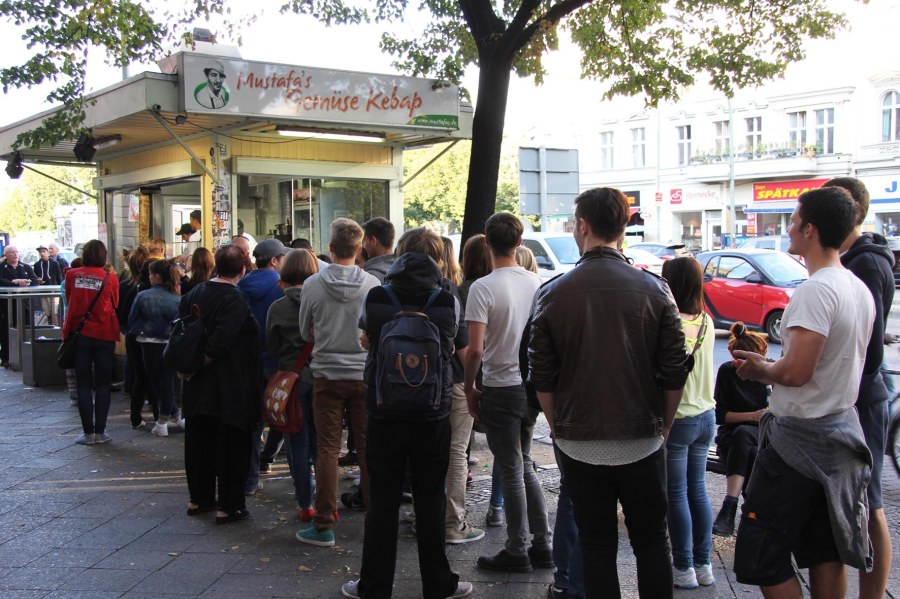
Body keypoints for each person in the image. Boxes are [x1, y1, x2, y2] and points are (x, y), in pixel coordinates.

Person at [529, 187, 689, 598]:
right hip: (643, 439)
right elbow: (674, 372)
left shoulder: (553, 292)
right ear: (621, 227)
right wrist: (663, 424)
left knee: (596, 544)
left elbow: (541, 377)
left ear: (583, 226)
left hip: (579, 442)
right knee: (653, 541)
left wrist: (559, 426)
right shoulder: (655, 289)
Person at [732, 186, 875, 598]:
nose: (790, 227)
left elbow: (795, 372)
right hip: (837, 435)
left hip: (798, 443)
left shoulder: (816, 290)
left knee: (761, 555)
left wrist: (760, 370)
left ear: (810, 229)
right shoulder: (855, 287)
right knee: (823, 552)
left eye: (794, 220)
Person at [342, 232, 473, 599]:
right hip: (432, 411)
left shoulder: (378, 296)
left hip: (384, 410)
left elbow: (366, 339)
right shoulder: (446, 299)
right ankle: (438, 582)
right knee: (430, 497)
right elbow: (457, 345)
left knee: (382, 500)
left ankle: (374, 585)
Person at [463, 212, 551, 573]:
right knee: (524, 462)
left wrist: (470, 387)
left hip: (499, 386)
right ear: (520, 243)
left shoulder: (482, 288)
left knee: (512, 467)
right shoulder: (539, 283)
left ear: (487, 243)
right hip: (530, 388)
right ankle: (543, 544)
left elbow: (476, 350)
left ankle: (517, 549)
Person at [827, 176, 895, 599]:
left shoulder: (866, 263)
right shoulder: (860, 257)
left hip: (862, 397)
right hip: (860, 395)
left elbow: (865, 348)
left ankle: (873, 593)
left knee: (869, 505)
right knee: (863, 503)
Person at [296, 218, 380, 547]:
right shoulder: (373, 284)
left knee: (328, 449)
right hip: (362, 375)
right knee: (368, 448)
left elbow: (305, 331)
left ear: (330, 249)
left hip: (327, 374)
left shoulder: (313, 285)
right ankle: (376, 516)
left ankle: (323, 522)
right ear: (359, 249)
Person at [181, 244, 261, 524]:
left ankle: (198, 498)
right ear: (242, 269)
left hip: (196, 385)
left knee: (199, 441)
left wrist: (187, 368)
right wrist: (198, 364)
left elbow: (180, 330)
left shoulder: (194, 293)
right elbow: (221, 343)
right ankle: (229, 505)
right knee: (231, 444)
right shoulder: (234, 299)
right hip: (229, 383)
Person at [660, 256, 716, 589]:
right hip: (706, 416)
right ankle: (704, 563)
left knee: (677, 495)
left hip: (678, 419)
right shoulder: (707, 322)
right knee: (698, 492)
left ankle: (683, 568)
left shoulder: (672, 324)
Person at [265, 249, 320, 521]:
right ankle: (326, 499)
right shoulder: (322, 302)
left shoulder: (277, 307)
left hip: (292, 382)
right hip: (321, 378)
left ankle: (305, 502)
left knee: (296, 442)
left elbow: (272, 346)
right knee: (322, 442)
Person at [458, 233, 503, 527]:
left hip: (473, 372)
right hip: (504, 374)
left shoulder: (463, 291)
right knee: (508, 450)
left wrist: (468, 384)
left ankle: (455, 506)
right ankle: (497, 505)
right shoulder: (502, 286)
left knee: (458, 443)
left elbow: (470, 347)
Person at [238, 238, 287, 494]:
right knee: (282, 413)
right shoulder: (281, 286)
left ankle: (250, 478)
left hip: (249, 361)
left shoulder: (241, 286)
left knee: (253, 420)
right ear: (274, 261)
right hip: (276, 360)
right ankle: (268, 457)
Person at [711, 322, 769, 537]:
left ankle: (730, 507)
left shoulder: (768, 374)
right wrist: (752, 416)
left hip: (760, 435)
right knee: (747, 445)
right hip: (734, 436)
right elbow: (721, 416)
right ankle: (752, 517)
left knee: (747, 440)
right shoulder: (727, 372)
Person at [63, 240, 120, 445]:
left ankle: (88, 433)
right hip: (104, 333)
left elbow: (70, 300)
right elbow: (115, 302)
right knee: (103, 384)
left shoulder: (71, 275)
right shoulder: (110, 277)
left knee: (84, 384)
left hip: (80, 334)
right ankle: (101, 431)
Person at [129, 258, 184, 437]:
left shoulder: (143, 295)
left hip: (149, 343)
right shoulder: (177, 298)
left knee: (157, 382)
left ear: (157, 277)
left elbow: (132, 319)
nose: (149, 277)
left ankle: (162, 421)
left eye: (151, 274)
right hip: (170, 343)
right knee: (167, 381)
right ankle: (175, 415)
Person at [118, 247, 157, 429]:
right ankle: (159, 416)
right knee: (154, 377)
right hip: (152, 338)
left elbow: (123, 315)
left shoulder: (127, 286)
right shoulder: (152, 292)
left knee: (140, 376)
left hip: (135, 336)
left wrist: (130, 330)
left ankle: (137, 416)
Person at [0, 245, 40, 368]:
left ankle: (25, 357)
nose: (15, 255)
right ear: (6, 254)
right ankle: (6, 358)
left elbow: (34, 280)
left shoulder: (26, 267)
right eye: (12, 252)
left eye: (17, 252)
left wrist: (26, 283)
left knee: (26, 329)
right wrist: (14, 282)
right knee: (6, 331)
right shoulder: (1, 268)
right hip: (5, 305)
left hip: (24, 304)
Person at [361, 217, 396, 283]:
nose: (364, 246)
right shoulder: (402, 267)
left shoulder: (371, 278)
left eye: (364, 241)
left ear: (373, 241)